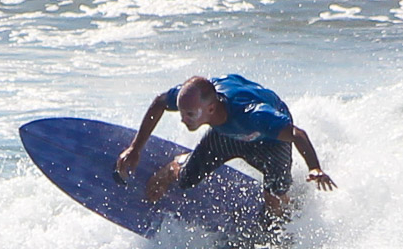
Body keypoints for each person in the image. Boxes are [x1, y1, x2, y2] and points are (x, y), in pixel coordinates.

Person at [114, 74, 335, 221]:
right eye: (182, 113)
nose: (183, 119)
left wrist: (314, 168)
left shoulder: (255, 115)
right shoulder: (194, 95)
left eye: (189, 115)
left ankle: (283, 214)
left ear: (211, 108)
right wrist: (136, 148)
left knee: (274, 199)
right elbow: (160, 102)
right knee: (186, 179)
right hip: (227, 135)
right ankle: (176, 165)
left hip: (269, 141)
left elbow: (297, 134)